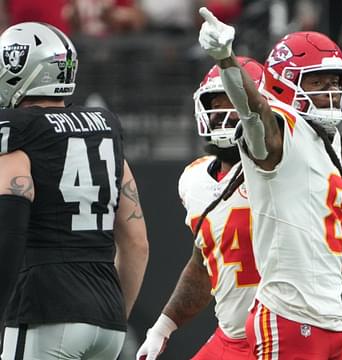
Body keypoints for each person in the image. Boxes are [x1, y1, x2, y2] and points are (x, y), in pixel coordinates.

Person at [197, 8, 342, 359]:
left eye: (336, 82)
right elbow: (253, 110)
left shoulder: (325, 136)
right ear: (283, 83)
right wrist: (226, 60)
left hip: (330, 316)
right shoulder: (282, 129)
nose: (332, 91)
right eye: (318, 82)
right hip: (288, 315)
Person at [0, 22, 149, 359]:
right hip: (107, 319)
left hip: (43, 307)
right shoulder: (105, 132)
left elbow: (8, 231)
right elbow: (137, 243)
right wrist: (112, 317)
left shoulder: (19, 133)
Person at [135, 57, 264, 360]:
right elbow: (205, 259)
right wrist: (163, 326)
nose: (223, 115)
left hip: (281, 335)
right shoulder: (195, 178)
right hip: (232, 336)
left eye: (235, 103)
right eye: (217, 104)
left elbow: (315, 248)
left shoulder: (282, 172)